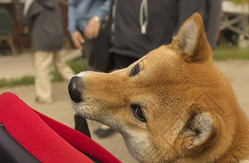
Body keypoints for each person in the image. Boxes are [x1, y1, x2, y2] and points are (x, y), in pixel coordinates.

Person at [89, 0, 220, 137]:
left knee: (160, 97)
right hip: (125, 39)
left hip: (158, 39)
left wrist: (206, 42)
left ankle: (168, 133)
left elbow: (198, 10)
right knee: (126, 87)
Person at [24, 0, 74, 104]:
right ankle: (79, 84)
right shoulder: (55, 2)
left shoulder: (35, 3)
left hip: (43, 39)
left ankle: (44, 96)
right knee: (61, 65)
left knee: (42, 67)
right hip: (56, 38)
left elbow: (28, 20)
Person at [67, 0, 111, 71]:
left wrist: (98, 17)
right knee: (92, 70)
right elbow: (72, 4)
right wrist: (72, 30)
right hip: (83, 30)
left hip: (101, 29)